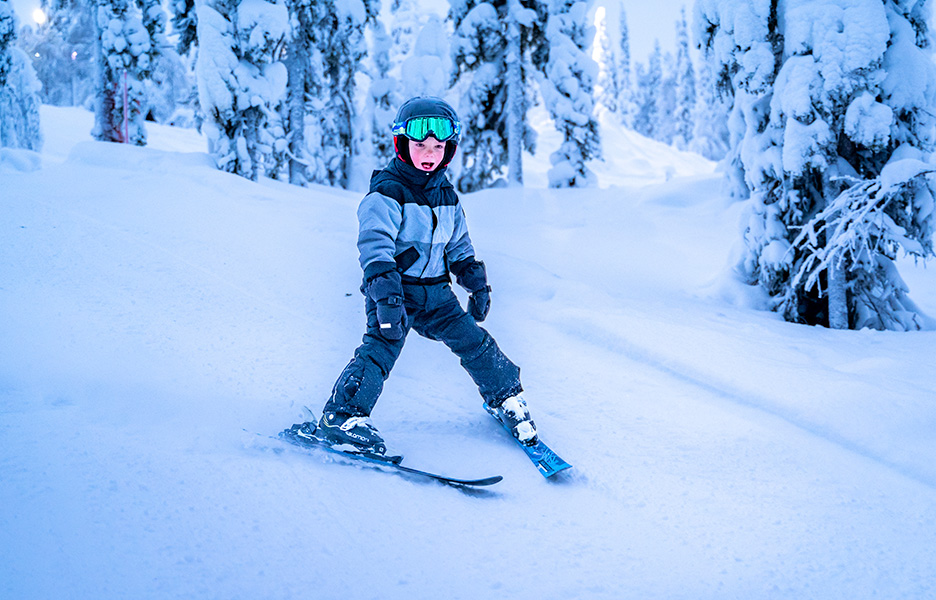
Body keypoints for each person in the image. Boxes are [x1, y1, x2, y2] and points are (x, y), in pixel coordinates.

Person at [296, 96, 537, 455]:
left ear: (449, 149)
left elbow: (458, 244)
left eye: (438, 146)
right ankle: (341, 417)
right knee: (380, 349)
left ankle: (506, 399)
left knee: (475, 342)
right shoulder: (387, 192)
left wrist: (475, 283)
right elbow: (375, 247)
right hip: (396, 294)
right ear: (402, 144)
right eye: (420, 144)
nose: (430, 152)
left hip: (437, 296)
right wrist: (386, 297)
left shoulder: (447, 196)